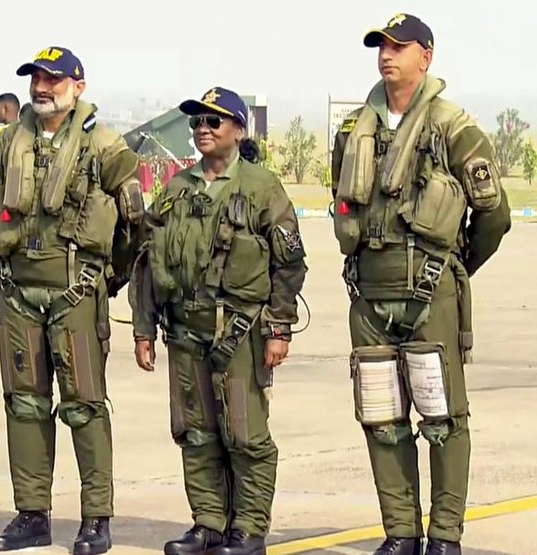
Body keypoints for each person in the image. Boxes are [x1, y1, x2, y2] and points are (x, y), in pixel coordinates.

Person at [330, 14, 511, 555]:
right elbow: (343, 203)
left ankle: (445, 536)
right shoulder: (353, 132)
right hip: (368, 296)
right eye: (381, 47)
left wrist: (454, 269)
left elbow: (494, 215)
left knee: (443, 418)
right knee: (381, 416)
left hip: (432, 295)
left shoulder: (453, 127)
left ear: (425, 57)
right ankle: (401, 533)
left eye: (399, 46)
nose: (387, 55)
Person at [130, 87, 307, 555]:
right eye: (197, 122)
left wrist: (279, 328)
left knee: (245, 434)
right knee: (196, 433)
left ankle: (248, 528)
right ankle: (208, 521)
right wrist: (144, 329)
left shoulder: (262, 188)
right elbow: (148, 260)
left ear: (239, 130)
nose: (203, 129)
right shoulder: (176, 189)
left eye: (214, 121)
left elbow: (289, 264)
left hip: (240, 332)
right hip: (184, 331)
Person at [0, 46, 145, 555]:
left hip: (76, 292)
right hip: (18, 292)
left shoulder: (104, 145)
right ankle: (31, 514)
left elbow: (135, 223)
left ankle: (96, 518)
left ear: (78, 86)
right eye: (36, 77)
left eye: (53, 79)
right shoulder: (10, 140)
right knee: (24, 404)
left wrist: (107, 278)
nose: (41, 86)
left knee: (84, 405)